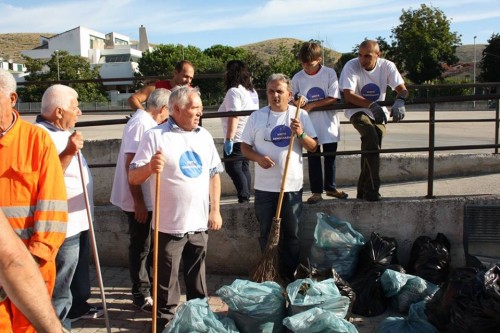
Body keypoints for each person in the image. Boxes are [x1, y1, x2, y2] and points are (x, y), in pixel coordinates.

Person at [128, 86, 223, 330]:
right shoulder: (155, 136)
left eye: (201, 109)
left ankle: (198, 322)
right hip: (169, 225)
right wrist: (150, 167)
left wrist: (215, 210)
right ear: (177, 109)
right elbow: (133, 176)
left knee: (198, 282)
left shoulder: (204, 136)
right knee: (166, 284)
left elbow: (214, 174)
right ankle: (166, 325)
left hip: (199, 223)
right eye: (195, 108)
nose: (200, 113)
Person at [0, 69, 68, 332]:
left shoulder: (36, 140)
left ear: (12, 99)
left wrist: (37, 257)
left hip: (33, 265)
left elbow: (53, 206)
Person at [241, 73, 318, 281]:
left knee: (292, 235)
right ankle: (270, 274)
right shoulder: (256, 117)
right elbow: (244, 148)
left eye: (280, 91)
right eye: (271, 91)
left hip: (291, 187)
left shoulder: (299, 115)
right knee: (266, 234)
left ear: (289, 94)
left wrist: (301, 133)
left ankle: (290, 275)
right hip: (265, 189)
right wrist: (258, 157)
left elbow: (313, 147)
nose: (275, 95)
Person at [35, 84, 98, 329]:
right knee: (59, 287)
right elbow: (46, 179)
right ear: (59, 112)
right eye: (75, 106)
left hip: (79, 220)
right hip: (63, 225)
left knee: (71, 282)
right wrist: (70, 152)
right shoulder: (41, 135)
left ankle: (70, 317)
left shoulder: (62, 132)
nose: (79, 112)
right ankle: (59, 326)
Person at [110, 88, 170, 312]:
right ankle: (141, 292)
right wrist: (139, 203)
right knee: (141, 245)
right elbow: (130, 164)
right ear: (163, 109)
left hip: (146, 197)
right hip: (138, 199)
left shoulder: (146, 122)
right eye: (169, 111)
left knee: (149, 244)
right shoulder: (141, 124)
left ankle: (151, 288)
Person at [339, 40, 408, 201]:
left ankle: (363, 191)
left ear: (378, 55)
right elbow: (348, 95)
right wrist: (370, 105)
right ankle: (373, 188)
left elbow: (402, 89)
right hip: (357, 110)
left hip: (379, 113)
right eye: (360, 55)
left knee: (372, 147)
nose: (362, 59)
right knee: (370, 135)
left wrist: (400, 101)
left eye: (367, 56)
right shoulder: (351, 65)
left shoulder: (387, 66)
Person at [292, 41, 348, 204]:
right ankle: (316, 192)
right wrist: (298, 101)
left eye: (310, 63)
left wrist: (312, 105)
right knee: (313, 157)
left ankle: (331, 188)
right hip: (309, 124)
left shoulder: (329, 73)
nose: (306, 67)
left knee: (330, 157)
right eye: (303, 63)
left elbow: (333, 97)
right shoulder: (297, 77)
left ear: (319, 60)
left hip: (328, 123)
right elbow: (294, 97)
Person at [218, 60, 259, 203]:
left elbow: (234, 115)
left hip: (236, 138)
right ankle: (246, 196)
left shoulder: (234, 91)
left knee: (232, 168)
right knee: (243, 167)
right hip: (248, 136)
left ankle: (244, 196)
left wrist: (229, 139)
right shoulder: (251, 92)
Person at [128, 60, 195, 110]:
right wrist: (145, 116)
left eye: (191, 78)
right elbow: (133, 99)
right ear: (175, 73)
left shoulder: (192, 92)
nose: (188, 81)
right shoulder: (157, 87)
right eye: (186, 77)